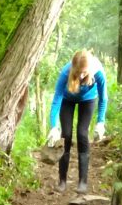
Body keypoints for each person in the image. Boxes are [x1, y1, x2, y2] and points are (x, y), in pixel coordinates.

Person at [45, 50, 108, 194]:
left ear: (89, 69)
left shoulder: (98, 72)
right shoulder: (66, 73)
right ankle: (62, 181)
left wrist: (100, 122)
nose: (80, 76)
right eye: (78, 72)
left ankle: (83, 182)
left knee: (82, 134)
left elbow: (103, 98)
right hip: (68, 99)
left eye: (84, 72)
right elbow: (56, 100)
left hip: (88, 100)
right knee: (66, 135)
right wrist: (54, 126)